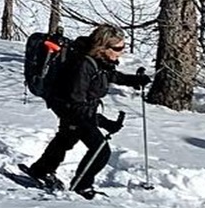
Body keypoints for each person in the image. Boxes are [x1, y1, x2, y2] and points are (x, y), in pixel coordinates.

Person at [23, 23, 152, 197]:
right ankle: (81, 186)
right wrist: (102, 121)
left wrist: (133, 80)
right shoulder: (84, 65)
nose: (122, 51)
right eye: (118, 47)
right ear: (103, 47)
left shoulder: (101, 62)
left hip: (76, 109)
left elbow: (109, 75)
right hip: (71, 109)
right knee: (100, 150)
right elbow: (76, 102)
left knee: (66, 138)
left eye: (123, 46)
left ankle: (40, 170)